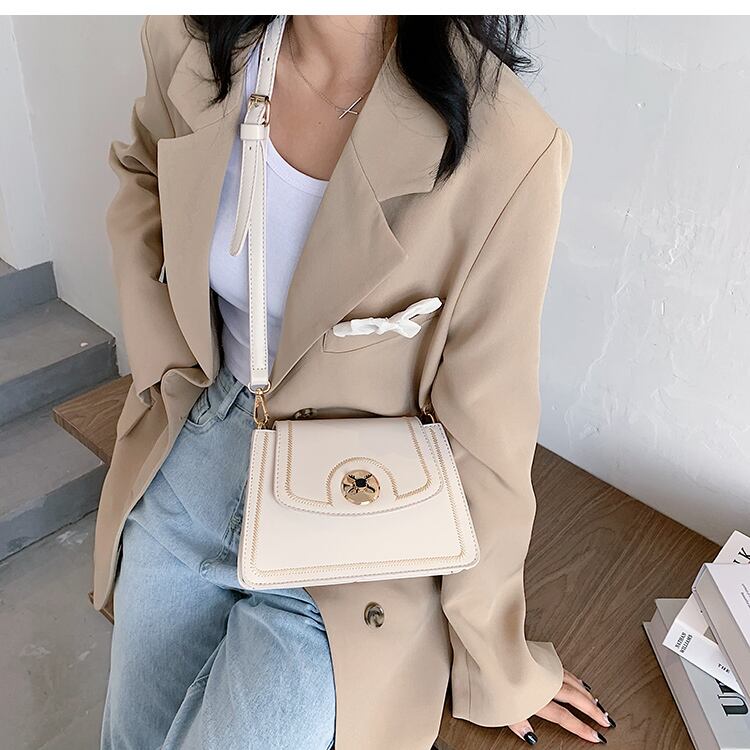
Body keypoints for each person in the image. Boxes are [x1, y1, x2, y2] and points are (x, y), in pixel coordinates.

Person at [97, 14, 614, 750]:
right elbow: (143, 176)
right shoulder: (189, 41)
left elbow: (488, 434)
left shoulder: (506, 149)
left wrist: (496, 665)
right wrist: (163, 364)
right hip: (194, 455)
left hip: (353, 529)